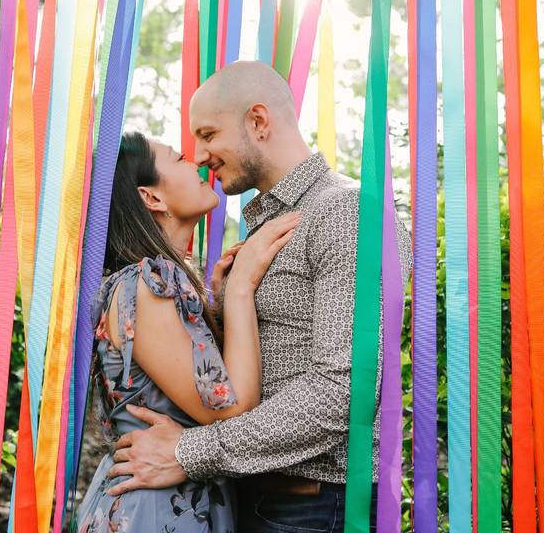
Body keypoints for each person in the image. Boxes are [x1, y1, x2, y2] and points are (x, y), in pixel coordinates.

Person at [106, 61, 412, 533]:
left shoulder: (347, 212)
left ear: (258, 121)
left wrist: (187, 453)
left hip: (312, 509)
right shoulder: (261, 231)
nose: (201, 154)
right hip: (248, 498)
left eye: (208, 134)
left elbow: (343, 393)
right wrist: (230, 303)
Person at [77, 131, 301, 532]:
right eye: (179, 158)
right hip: (157, 510)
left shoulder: (154, 283)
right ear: (152, 197)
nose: (196, 163)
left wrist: (218, 304)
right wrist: (241, 290)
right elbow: (232, 411)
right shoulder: (147, 282)